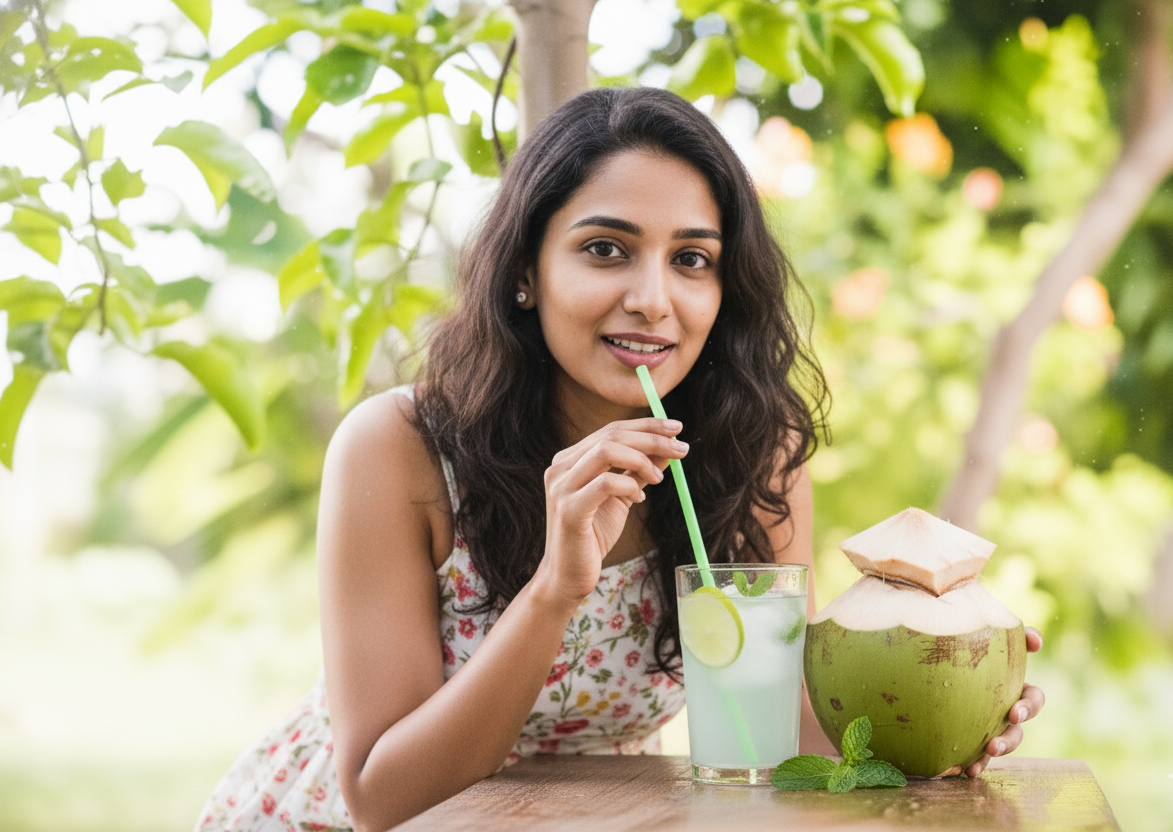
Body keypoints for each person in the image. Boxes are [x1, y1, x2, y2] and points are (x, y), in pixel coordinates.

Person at [194, 86, 1045, 832]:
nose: (652, 299)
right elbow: (383, 800)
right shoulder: (402, 450)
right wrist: (556, 590)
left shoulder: (756, 457)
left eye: (692, 260)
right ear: (526, 270)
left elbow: (789, 733)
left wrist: (937, 722)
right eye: (606, 248)